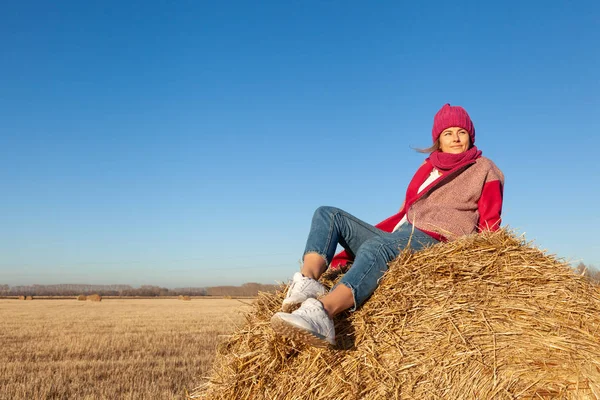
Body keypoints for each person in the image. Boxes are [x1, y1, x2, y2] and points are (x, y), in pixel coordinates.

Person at [270, 103, 504, 348]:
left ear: (470, 136)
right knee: (327, 214)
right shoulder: (427, 169)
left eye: (461, 132)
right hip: (404, 233)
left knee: (378, 248)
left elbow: (491, 218)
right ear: (439, 140)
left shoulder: (483, 167)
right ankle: (308, 281)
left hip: (438, 238)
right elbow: (406, 212)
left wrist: (486, 261)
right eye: (448, 133)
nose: (455, 138)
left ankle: (323, 313)